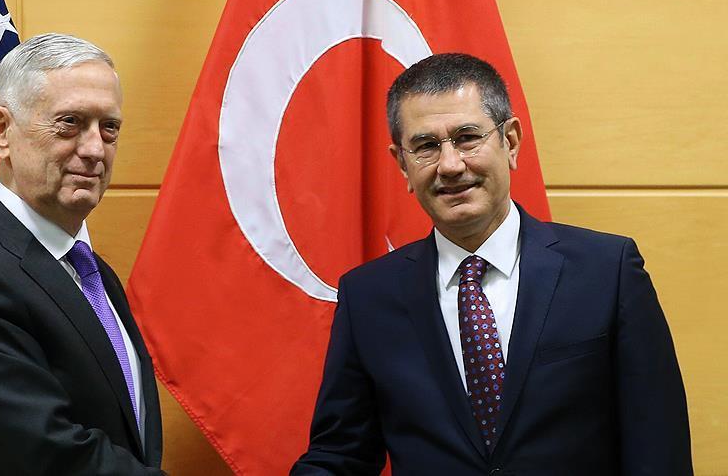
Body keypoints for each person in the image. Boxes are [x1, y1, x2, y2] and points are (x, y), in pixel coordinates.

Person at [291, 54, 692, 475]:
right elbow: (341, 455)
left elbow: (658, 449)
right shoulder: (367, 296)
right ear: (403, 164)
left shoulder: (607, 272)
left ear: (511, 141)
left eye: (467, 138)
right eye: (426, 146)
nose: (450, 165)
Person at [0, 33, 165, 475]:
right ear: (1, 131)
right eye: (70, 122)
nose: (95, 149)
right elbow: (49, 458)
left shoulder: (93, 274)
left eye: (109, 128)